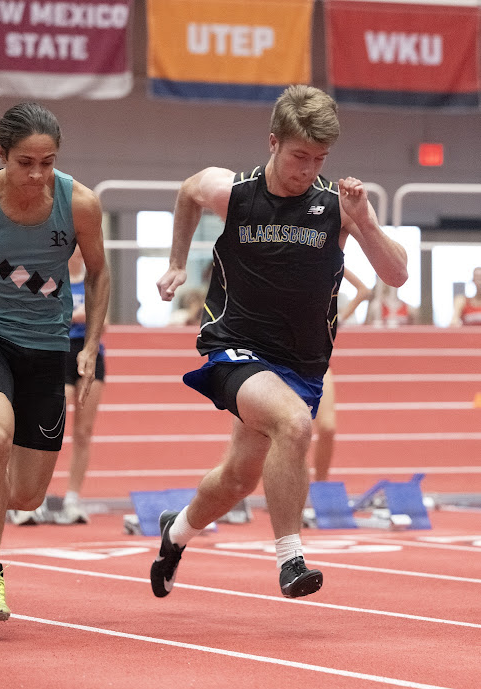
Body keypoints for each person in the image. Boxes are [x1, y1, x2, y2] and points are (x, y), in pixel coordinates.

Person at [149, 84, 408, 600]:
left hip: (301, 364)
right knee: (294, 424)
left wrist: (367, 220)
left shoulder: (337, 205)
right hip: (234, 347)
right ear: (273, 142)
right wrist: (178, 261)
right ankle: (291, 560)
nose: (308, 170)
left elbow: (396, 275)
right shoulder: (236, 193)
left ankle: (175, 534)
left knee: (237, 480)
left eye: (319, 159)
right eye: (298, 157)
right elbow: (189, 191)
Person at [0, 102, 110, 621]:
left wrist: (88, 346)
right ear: (1, 155)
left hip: (47, 346)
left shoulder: (78, 203)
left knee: (24, 495)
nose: (38, 174)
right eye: (25, 162)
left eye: (48, 161)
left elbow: (102, 274)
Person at [12, 244, 107, 525]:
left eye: (81, 247)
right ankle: (25, 501)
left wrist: (78, 317)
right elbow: (44, 315)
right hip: (58, 351)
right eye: (75, 247)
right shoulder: (55, 276)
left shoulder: (94, 278)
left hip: (91, 354)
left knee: (84, 431)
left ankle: (72, 500)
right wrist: (81, 316)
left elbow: (105, 323)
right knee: (47, 424)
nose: (79, 251)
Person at [312, 268, 371, 482]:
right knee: (290, 434)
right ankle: (287, 491)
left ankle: (321, 486)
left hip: (318, 362)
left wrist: (339, 320)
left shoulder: (327, 256)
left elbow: (363, 290)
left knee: (327, 428)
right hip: (282, 362)